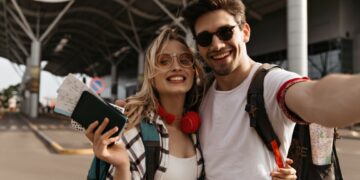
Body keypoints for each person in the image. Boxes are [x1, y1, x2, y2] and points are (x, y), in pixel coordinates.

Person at [85, 27, 297, 180]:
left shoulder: (199, 126)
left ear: (194, 71)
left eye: (184, 60)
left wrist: (274, 172)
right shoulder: (135, 132)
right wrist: (121, 166)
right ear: (151, 76)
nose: (176, 67)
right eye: (164, 61)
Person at [182, 0, 360, 179]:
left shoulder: (270, 83)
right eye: (205, 38)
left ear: (245, 32)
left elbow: (316, 98)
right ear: (198, 46)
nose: (217, 45)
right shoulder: (200, 94)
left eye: (225, 32)